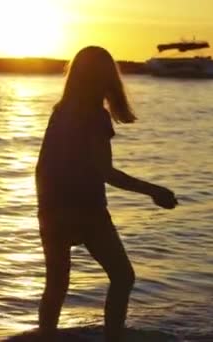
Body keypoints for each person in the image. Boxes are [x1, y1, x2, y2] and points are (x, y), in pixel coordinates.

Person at [35, 46, 178, 342]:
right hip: (86, 211)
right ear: (103, 78)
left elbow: (41, 167)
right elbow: (106, 172)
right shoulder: (94, 116)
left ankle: (45, 336)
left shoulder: (61, 111)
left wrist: (46, 209)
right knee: (123, 277)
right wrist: (154, 191)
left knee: (56, 284)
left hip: (53, 210)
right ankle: (114, 337)